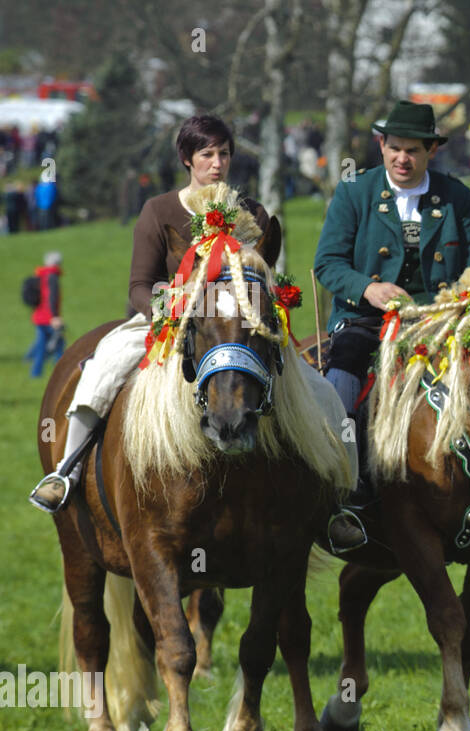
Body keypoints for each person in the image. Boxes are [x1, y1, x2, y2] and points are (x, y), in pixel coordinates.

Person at [28, 116, 360, 551]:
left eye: (224, 154)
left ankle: (339, 504)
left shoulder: (253, 213)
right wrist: (170, 308)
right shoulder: (159, 210)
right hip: (165, 325)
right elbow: (138, 286)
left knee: (324, 394)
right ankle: (66, 472)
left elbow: (263, 279)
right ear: (187, 159)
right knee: (100, 370)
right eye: (207, 154)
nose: (217, 163)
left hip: (239, 331)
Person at [315, 100, 470, 542]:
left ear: (431, 150)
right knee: (344, 369)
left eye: (412, 150)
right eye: (394, 148)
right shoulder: (356, 191)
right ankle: (345, 487)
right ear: (381, 145)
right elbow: (327, 263)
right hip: (365, 321)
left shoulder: (455, 196)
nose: (402, 159)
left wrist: (452, 304)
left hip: (438, 321)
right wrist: (367, 289)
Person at [26, 251, 63, 377]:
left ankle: (35, 372)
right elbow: (52, 297)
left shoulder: (40, 275)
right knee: (58, 344)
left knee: (41, 345)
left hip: (38, 316)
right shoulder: (52, 276)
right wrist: (55, 317)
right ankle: (60, 371)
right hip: (49, 318)